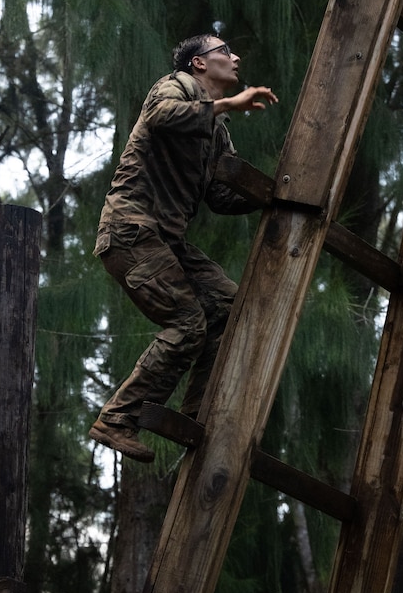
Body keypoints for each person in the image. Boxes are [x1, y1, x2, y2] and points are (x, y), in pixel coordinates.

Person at [90, 34, 278, 463]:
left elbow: (220, 197)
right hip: (130, 230)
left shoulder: (217, 131)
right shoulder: (174, 86)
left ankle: (197, 411)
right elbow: (161, 118)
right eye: (225, 51)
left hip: (165, 241)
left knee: (229, 306)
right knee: (189, 324)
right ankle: (117, 419)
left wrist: (277, 192)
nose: (235, 57)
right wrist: (229, 105)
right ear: (198, 64)